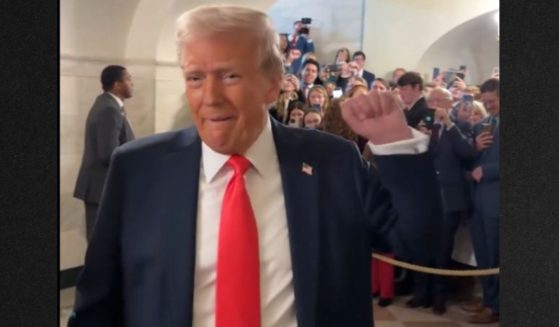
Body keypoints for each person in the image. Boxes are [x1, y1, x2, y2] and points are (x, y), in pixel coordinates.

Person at [68, 5, 442, 327]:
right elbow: (96, 304)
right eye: (196, 78)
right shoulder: (139, 169)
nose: (210, 98)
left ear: (271, 85)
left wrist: (396, 145)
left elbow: (418, 246)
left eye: (230, 76)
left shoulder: (333, 162)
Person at [72, 65, 135, 242]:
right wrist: (137, 156)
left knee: (103, 241)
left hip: (102, 187)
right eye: (129, 79)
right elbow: (108, 153)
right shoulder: (109, 109)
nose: (132, 83)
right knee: (99, 243)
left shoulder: (108, 104)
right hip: (101, 188)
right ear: (117, 85)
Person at [464, 78, 500, 324]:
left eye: (493, 101)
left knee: (497, 257)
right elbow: (469, 160)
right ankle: (488, 299)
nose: (488, 106)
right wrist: (474, 148)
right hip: (478, 200)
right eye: (485, 102)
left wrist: (487, 171)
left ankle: (497, 306)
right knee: (483, 255)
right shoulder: (483, 125)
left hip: (498, 200)